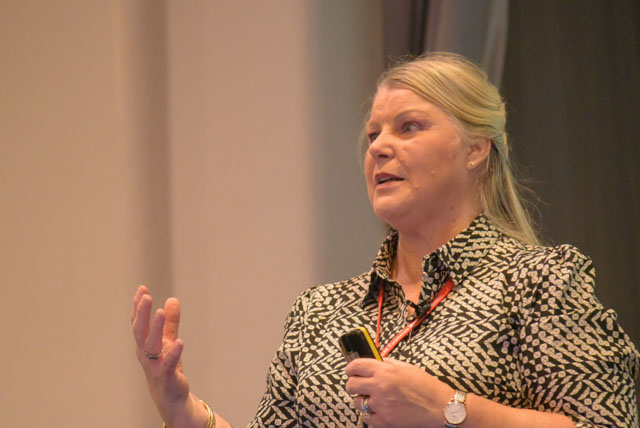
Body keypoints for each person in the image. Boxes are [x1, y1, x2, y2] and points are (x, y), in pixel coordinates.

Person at [131, 52, 639, 428]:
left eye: (408, 127)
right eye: (373, 135)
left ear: (475, 149)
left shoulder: (538, 283)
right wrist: (180, 409)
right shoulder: (319, 313)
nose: (379, 148)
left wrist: (449, 409)